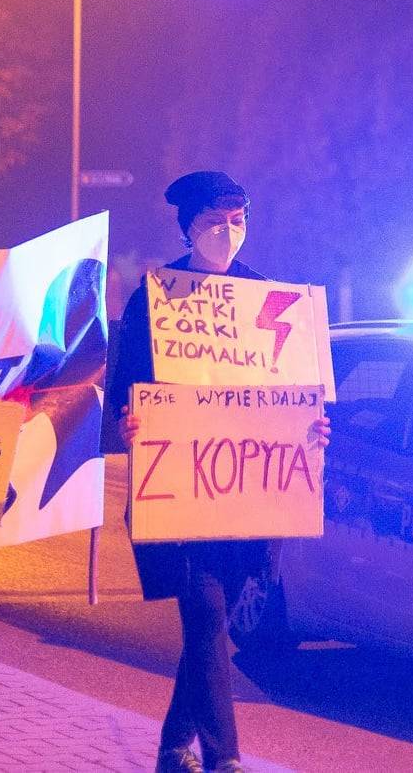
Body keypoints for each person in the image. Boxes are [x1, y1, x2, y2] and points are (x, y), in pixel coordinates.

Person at [108, 171, 328, 773]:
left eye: (238, 221)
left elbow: (294, 390)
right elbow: (126, 388)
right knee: (204, 614)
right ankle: (224, 757)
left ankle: (173, 743)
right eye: (214, 223)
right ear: (188, 229)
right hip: (178, 488)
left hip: (244, 493)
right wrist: (130, 422)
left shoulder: (267, 297)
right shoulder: (155, 296)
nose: (227, 234)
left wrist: (311, 429)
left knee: (214, 623)